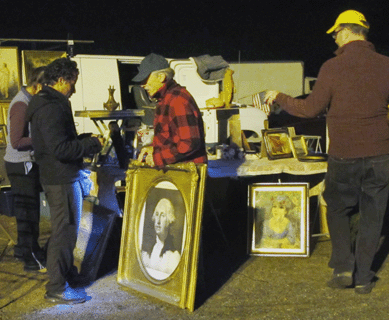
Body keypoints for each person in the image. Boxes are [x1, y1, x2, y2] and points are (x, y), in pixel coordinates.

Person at [265, 10, 389, 294]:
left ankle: (344, 268)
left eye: (335, 33)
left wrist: (280, 97)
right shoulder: (386, 65)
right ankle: (364, 278)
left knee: (337, 207)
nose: (335, 38)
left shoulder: (332, 67)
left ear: (346, 32)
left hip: (344, 154)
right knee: (373, 214)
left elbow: (309, 109)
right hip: (381, 154)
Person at [26, 58, 102, 304]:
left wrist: (81, 138)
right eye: (73, 83)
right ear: (61, 80)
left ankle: (66, 276)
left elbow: (57, 141)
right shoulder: (51, 106)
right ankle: (56, 288)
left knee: (66, 231)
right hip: (61, 179)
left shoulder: (49, 103)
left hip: (58, 177)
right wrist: (90, 144)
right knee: (64, 232)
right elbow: (60, 149)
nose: (74, 89)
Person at [4, 67, 46, 272]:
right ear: (37, 85)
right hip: (21, 164)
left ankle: (25, 248)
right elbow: (17, 141)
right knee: (27, 212)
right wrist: (44, 139)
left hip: (24, 163)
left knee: (28, 210)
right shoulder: (21, 104)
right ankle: (30, 256)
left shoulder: (28, 100)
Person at [132, 53, 207, 167]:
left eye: (145, 79)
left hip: (186, 174)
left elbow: (189, 143)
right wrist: (153, 148)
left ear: (161, 77)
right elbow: (168, 138)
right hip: (177, 172)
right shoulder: (165, 99)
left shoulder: (177, 100)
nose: (143, 85)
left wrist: (159, 157)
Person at [141, 198, 181, 279]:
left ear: (169, 220)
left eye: (162, 215)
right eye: (157, 214)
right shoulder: (147, 250)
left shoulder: (173, 255)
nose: (158, 221)